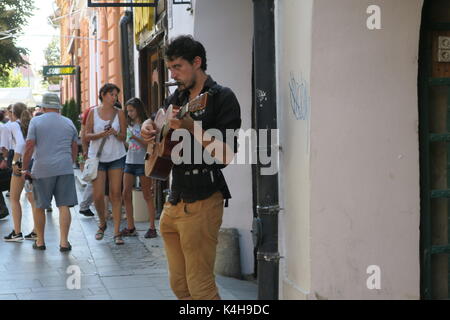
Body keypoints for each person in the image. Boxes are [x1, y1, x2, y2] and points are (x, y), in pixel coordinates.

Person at [141, 35, 241, 300]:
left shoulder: (222, 98)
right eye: (170, 67)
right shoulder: (179, 95)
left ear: (197, 62)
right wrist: (147, 127)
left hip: (203, 199)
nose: (173, 74)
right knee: (180, 286)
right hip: (174, 201)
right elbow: (157, 120)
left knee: (201, 286)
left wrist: (191, 127)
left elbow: (226, 154)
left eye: (177, 67)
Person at [22, 93, 79, 251]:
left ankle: (40, 242)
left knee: (40, 206)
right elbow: (75, 146)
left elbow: (29, 146)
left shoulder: (36, 121)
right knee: (64, 205)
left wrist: (25, 168)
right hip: (65, 168)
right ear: (58, 107)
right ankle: (64, 242)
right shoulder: (68, 122)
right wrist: (71, 161)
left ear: (44, 106)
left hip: (42, 169)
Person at [84, 83, 127, 245]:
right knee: (97, 195)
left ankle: (116, 232)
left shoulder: (120, 113)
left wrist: (116, 133)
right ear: (102, 94)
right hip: (98, 158)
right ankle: (102, 223)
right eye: (111, 94)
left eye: (116, 95)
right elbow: (86, 135)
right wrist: (101, 134)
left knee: (116, 194)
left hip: (116, 156)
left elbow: (124, 137)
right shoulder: (93, 112)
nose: (114, 97)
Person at [120, 97, 157, 238]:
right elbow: (129, 146)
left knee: (147, 194)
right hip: (129, 161)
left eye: (131, 110)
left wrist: (135, 138)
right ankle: (130, 227)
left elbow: (149, 145)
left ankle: (152, 227)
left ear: (138, 109)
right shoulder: (128, 125)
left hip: (143, 162)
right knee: (125, 193)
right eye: (127, 111)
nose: (129, 113)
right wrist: (124, 140)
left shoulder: (146, 124)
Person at [3, 103, 37, 242]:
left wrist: (14, 162)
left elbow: (21, 144)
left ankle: (17, 232)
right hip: (32, 163)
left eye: (9, 111)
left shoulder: (12, 125)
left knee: (14, 199)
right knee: (33, 199)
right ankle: (36, 231)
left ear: (13, 113)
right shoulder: (31, 123)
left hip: (20, 164)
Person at [78, 105, 95, 217]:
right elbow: (84, 135)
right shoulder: (93, 111)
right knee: (93, 179)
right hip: (95, 152)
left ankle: (85, 206)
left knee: (93, 179)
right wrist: (85, 152)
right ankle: (84, 206)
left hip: (93, 152)